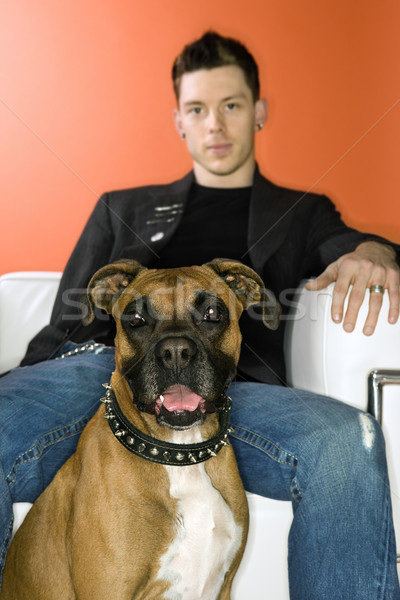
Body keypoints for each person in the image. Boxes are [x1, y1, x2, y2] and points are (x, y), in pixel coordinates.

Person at [1, 31, 399, 598]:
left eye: (231, 105)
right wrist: (30, 377)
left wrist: (378, 252)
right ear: (179, 121)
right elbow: (70, 315)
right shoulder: (122, 208)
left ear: (258, 112)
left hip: (234, 387)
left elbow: (359, 246)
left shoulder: (301, 214)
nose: (214, 124)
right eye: (198, 109)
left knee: (347, 439)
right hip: (91, 370)